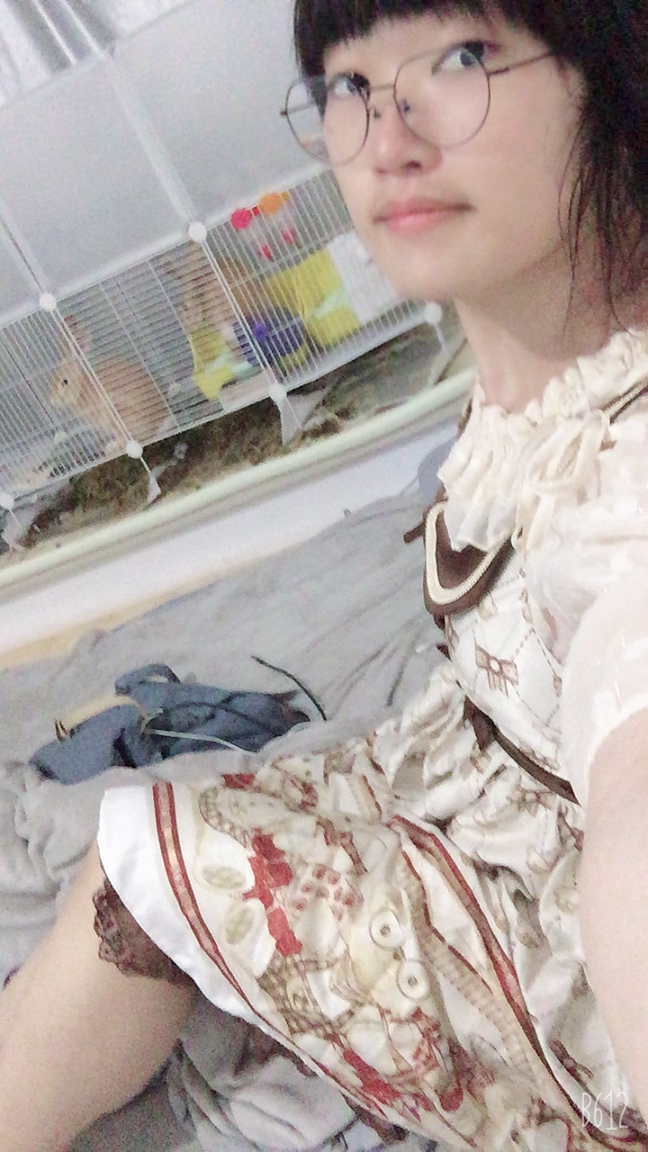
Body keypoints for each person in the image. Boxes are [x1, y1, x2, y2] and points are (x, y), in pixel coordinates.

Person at [1, 0, 647, 1148]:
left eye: (461, 57)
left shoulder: (623, 473)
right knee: (145, 836)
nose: (386, 138)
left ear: (610, 70)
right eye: (349, 85)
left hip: (561, 978)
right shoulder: (528, 360)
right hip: (468, 781)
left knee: (146, 859)